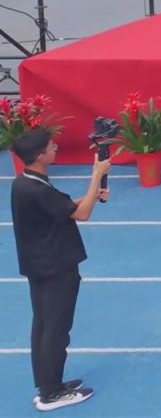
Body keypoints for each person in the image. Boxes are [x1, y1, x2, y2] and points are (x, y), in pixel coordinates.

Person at [11, 126, 110, 411]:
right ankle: (51, 394)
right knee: (55, 330)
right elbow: (82, 214)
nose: (56, 148)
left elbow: (64, 208)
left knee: (44, 326)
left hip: (40, 265)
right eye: (51, 146)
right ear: (39, 156)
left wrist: (92, 194)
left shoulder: (25, 183)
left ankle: (48, 384)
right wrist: (96, 175)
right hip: (55, 267)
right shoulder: (37, 189)